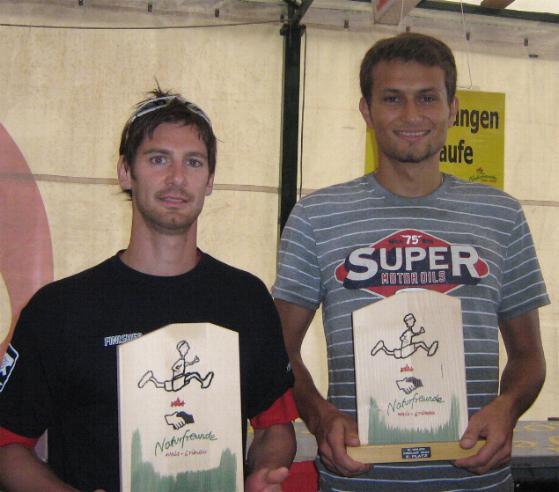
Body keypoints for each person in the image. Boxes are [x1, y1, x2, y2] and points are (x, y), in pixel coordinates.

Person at [273, 32, 548, 491]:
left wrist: (509, 407)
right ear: (366, 111)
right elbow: (278, 349)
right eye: (392, 99)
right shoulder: (317, 217)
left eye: (427, 98)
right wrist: (322, 418)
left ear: (452, 108)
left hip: (476, 481)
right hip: (359, 480)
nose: (412, 115)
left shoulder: (501, 215)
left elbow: (529, 356)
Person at [0, 89, 297, 492]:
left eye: (193, 162)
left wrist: (265, 472)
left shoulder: (246, 299)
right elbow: (7, 445)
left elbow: (275, 426)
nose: (177, 178)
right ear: (126, 171)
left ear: (210, 180)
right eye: (158, 159)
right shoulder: (59, 309)